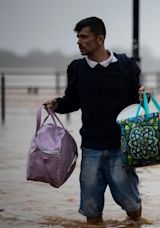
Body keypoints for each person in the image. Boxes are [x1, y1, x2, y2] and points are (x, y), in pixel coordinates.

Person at [43, 17, 143, 225]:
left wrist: (143, 97)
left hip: (122, 148)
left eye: (83, 37)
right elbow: (72, 101)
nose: (79, 42)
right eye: (78, 37)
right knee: (91, 208)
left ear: (100, 39)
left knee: (131, 206)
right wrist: (57, 104)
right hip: (91, 148)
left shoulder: (126, 65)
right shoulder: (77, 68)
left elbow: (136, 102)